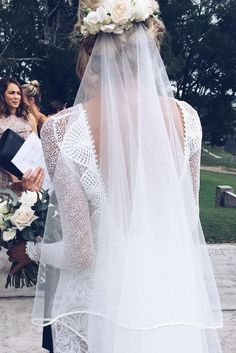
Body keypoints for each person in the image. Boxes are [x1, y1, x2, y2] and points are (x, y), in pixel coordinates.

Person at [32, 0, 222, 352]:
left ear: (91, 51)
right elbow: (188, 219)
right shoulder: (188, 118)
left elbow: (80, 254)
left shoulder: (60, 130)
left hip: (98, 309)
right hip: (168, 302)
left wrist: (29, 249)